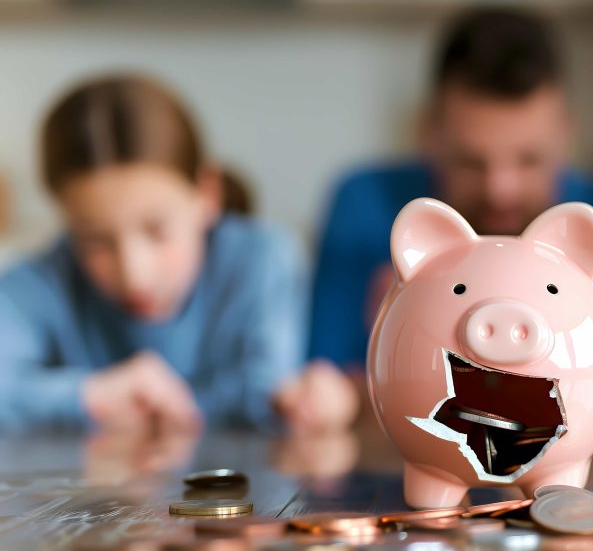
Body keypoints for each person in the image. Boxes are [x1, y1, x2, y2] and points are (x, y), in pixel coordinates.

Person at [296, 6, 593, 440]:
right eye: (471, 161)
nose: (500, 189)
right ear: (429, 132)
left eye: (529, 159)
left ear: (566, 133)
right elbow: (323, 392)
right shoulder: (364, 206)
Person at [0, 75, 353, 434]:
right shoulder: (36, 285)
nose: (134, 273)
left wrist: (311, 400)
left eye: (157, 231)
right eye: (96, 240)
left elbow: (269, 395)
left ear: (207, 195)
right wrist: (88, 395)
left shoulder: (261, 261)